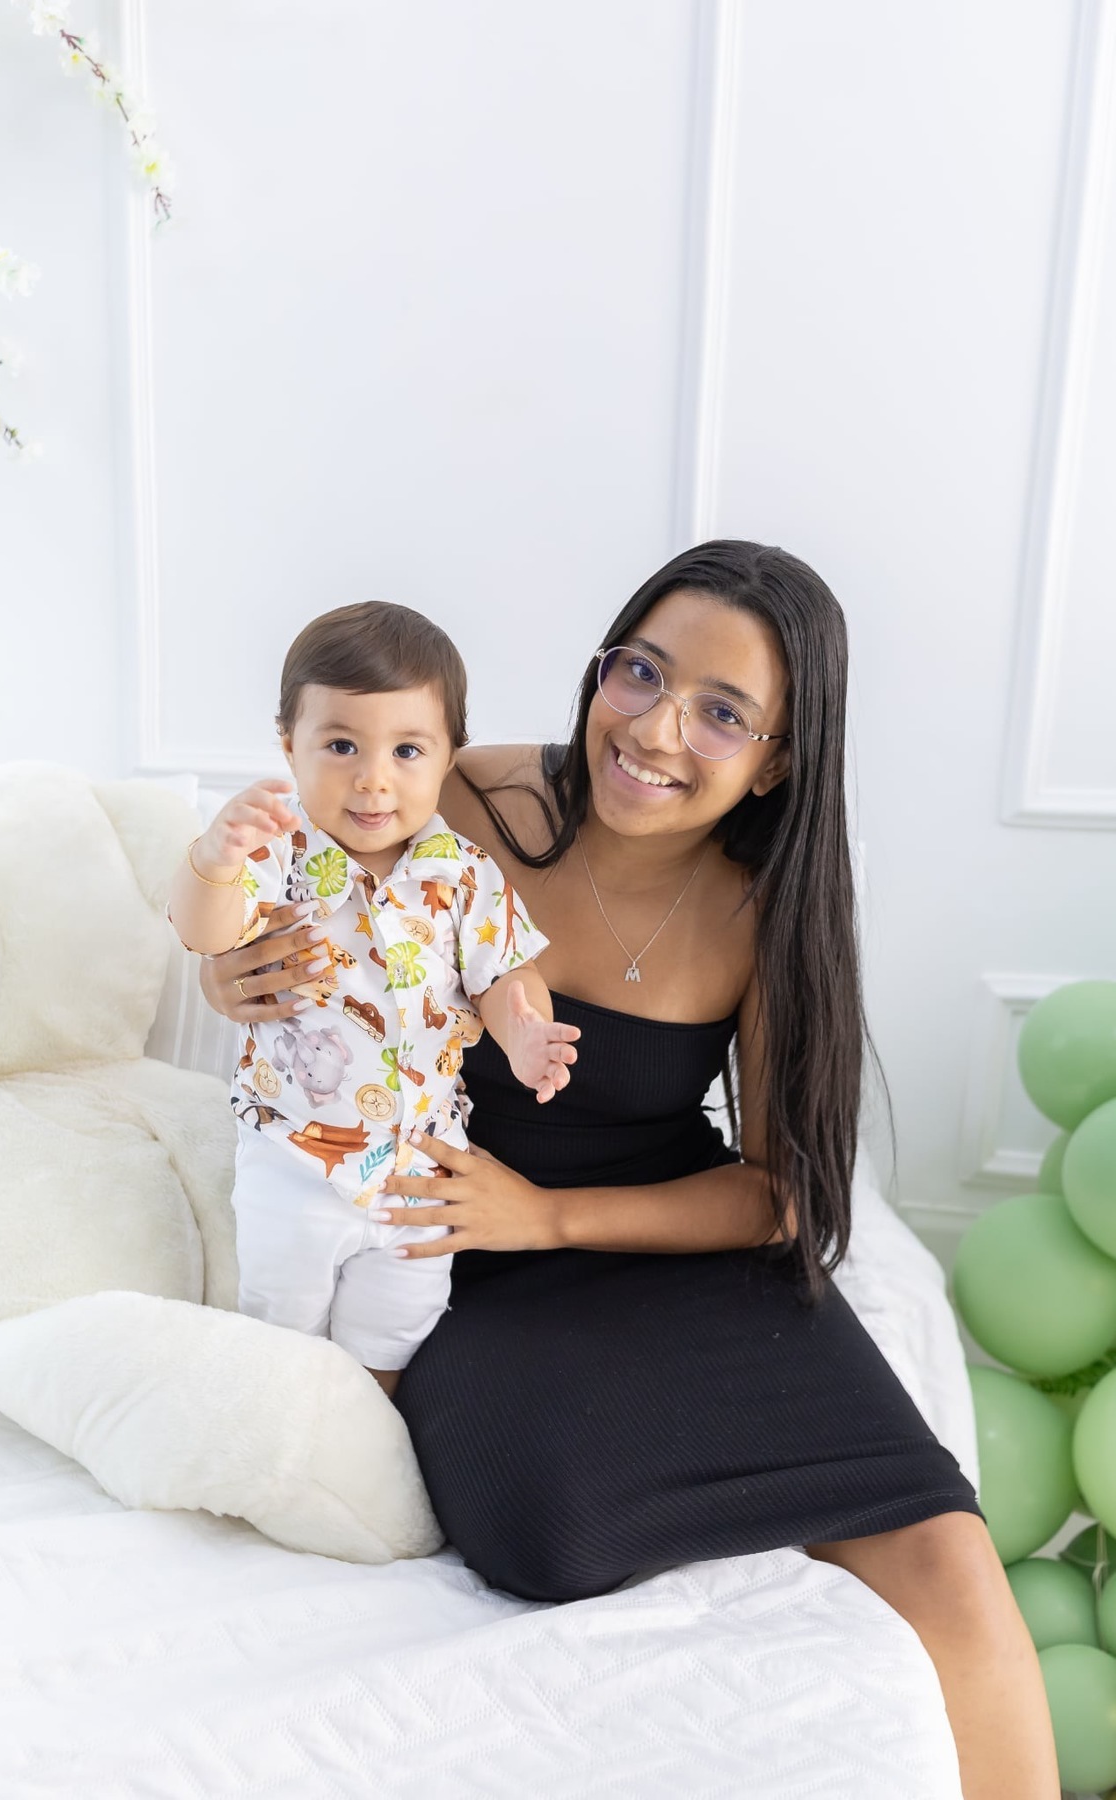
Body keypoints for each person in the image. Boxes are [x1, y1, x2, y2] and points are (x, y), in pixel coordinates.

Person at [200, 542, 1058, 1799]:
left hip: (661, 1231)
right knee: (549, 1528)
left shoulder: (766, 910)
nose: (655, 729)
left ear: (777, 758)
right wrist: (233, 967)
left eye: (722, 712)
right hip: (443, 1234)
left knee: (945, 1550)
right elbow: (289, 884)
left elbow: (787, 1193)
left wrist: (548, 1215)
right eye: (639, 672)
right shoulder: (473, 802)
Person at [170, 602, 579, 1395]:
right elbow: (207, 935)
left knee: (394, 1328)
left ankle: (364, 1439)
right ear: (289, 744)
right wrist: (213, 860)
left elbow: (502, 976)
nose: (373, 777)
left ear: (448, 756)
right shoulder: (279, 855)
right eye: (341, 745)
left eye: (407, 749)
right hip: (294, 1150)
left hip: (418, 1161)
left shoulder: (463, 872)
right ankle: (282, 1430)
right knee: (282, 1318)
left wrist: (524, 1030)